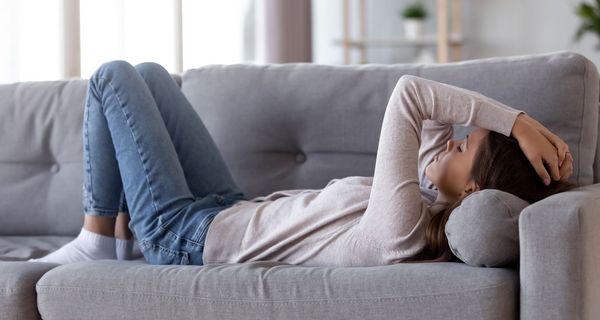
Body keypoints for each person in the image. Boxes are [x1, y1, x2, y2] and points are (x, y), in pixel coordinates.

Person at [30, 62, 575, 267]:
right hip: (227, 209)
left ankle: (99, 240)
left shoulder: (402, 228)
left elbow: (412, 96)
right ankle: (120, 239)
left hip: (186, 241)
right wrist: (507, 129)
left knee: (113, 78)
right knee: (150, 74)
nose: (451, 142)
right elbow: (436, 128)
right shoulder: (431, 200)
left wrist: (518, 120)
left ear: (475, 188)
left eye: (462, 148)